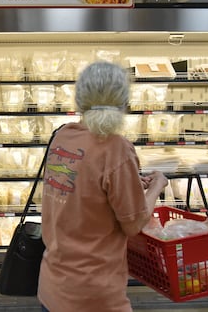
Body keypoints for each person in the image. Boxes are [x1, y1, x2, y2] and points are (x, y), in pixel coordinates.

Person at [37, 61, 169, 312]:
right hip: (94, 295)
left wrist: (124, 183)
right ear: (123, 100)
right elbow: (134, 223)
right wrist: (157, 186)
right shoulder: (115, 147)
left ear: (80, 97)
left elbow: (83, 187)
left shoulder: (62, 136)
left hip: (53, 287)